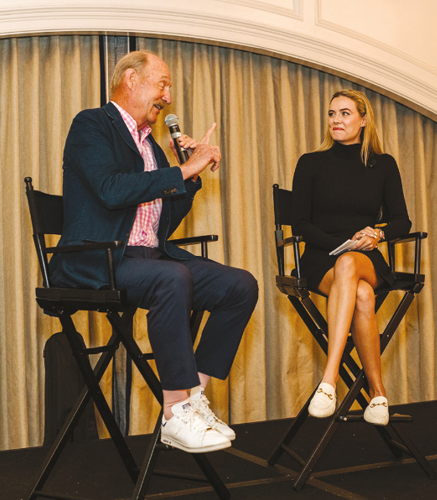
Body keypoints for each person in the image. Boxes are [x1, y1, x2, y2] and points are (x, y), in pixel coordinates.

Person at [50, 50, 258, 453]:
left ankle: (193, 397)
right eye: (162, 84)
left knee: (239, 286)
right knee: (172, 277)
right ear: (131, 79)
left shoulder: (153, 146)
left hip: (149, 258)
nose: (168, 95)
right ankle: (175, 412)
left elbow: (165, 219)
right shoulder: (91, 125)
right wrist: (182, 171)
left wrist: (189, 175)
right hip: (100, 259)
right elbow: (111, 192)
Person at [291, 89, 411, 426]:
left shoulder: (383, 164)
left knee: (351, 266)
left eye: (344, 113)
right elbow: (300, 223)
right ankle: (377, 395)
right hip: (320, 259)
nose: (336, 120)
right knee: (361, 294)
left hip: (367, 258)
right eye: (332, 114)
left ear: (363, 119)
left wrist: (377, 234)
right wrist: (339, 245)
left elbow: (402, 221)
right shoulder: (310, 163)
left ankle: (328, 381)